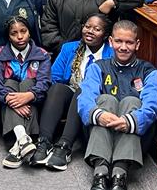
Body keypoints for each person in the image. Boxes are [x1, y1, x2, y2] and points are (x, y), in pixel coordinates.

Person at [79, 20, 157, 190]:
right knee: (106, 100)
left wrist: (130, 120)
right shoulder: (97, 67)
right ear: (110, 42)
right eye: (119, 41)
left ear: (137, 44)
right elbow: (84, 100)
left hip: (135, 136)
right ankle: (100, 173)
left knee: (132, 101)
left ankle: (119, 174)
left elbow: (152, 105)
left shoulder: (148, 71)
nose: (123, 47)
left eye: (129, 42)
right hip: (100, 132)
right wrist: (99, 115)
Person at [35, 14, 114, 171]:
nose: (90, 31)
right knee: (57, 88)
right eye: (87, 27)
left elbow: (110, 87)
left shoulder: (111, 54)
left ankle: (64, 146)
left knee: (82, 91)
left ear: (105, 35)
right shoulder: (69, 48)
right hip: (69, 93)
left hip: (95, 98)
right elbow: (55, 77)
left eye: (97, 29)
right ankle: (43, 142)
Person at [0, 15, 53, 168]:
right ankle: (24, 138)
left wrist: (29, 95)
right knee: (9, 82)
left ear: (30, 32)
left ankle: (19, 142)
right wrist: (14, 101)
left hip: (34, 106)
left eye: (23, 31)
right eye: (14, 33)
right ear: (8, 36)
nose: (19, 36)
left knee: (28, 83)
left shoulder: (42, 55)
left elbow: (44, 83)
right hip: (4, 108)